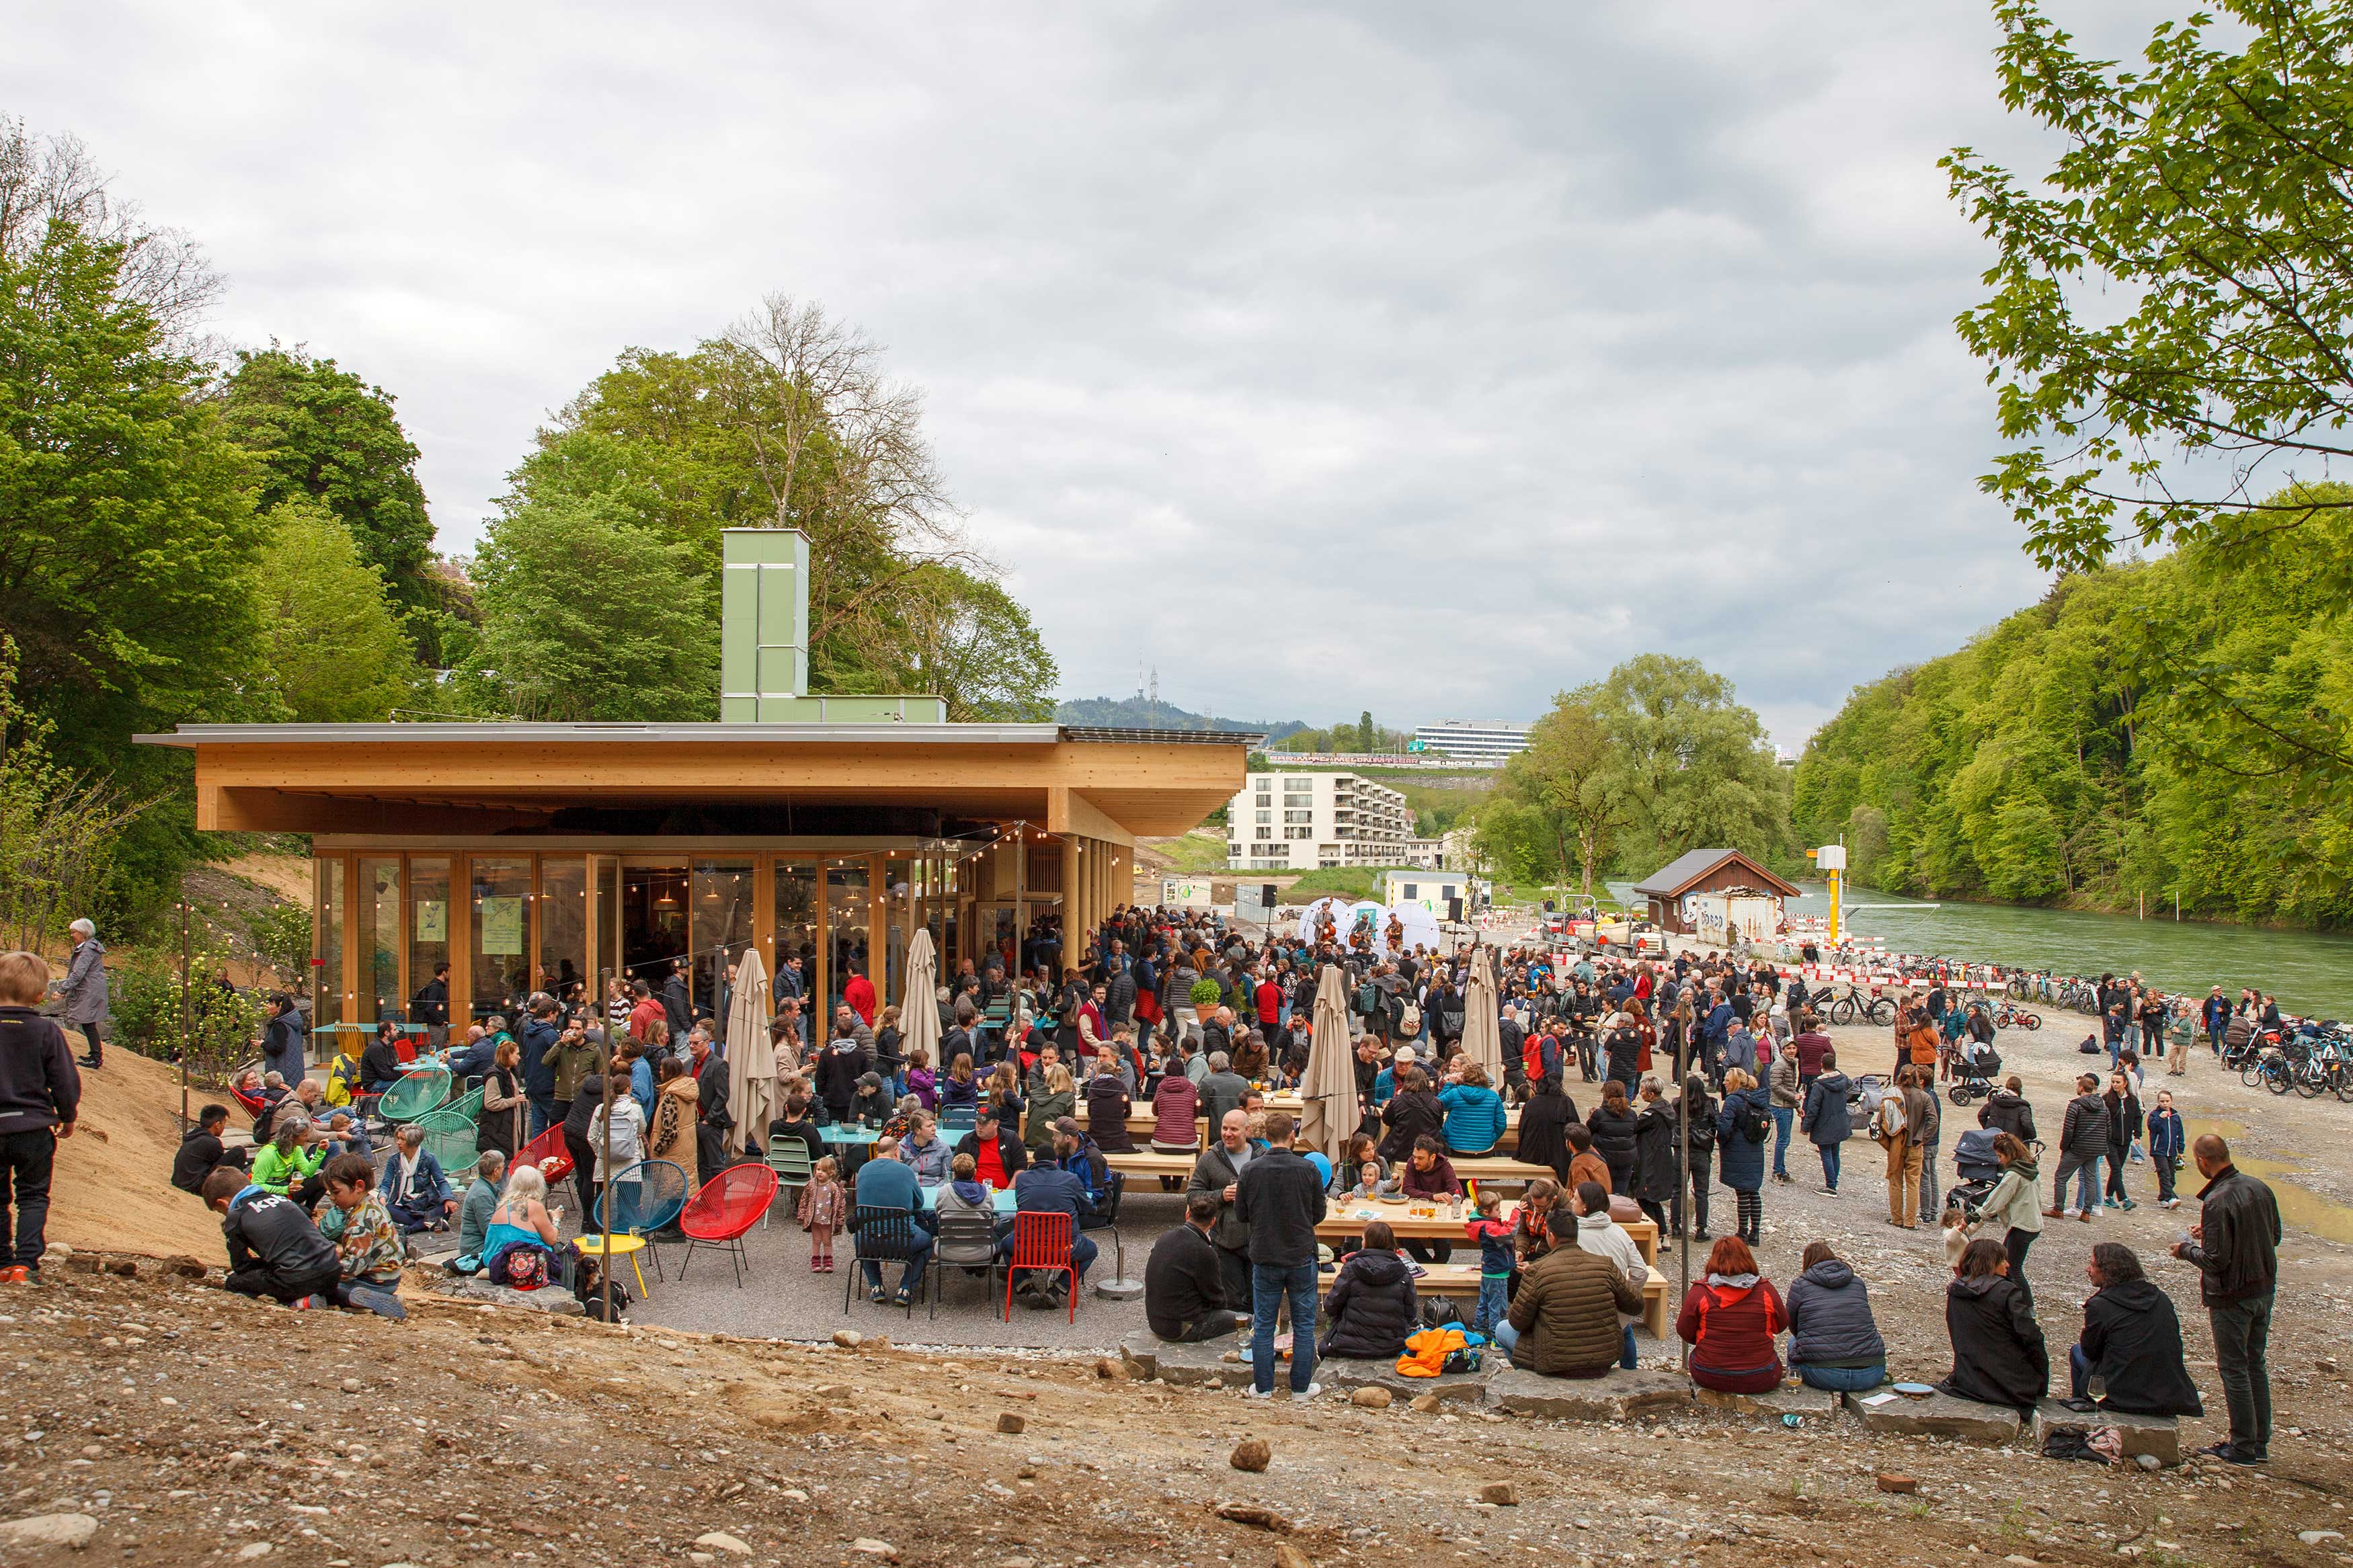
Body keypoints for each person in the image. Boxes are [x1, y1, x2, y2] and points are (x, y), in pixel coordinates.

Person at [2172, 1132, 2281, 1465]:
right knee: (2254, 1364)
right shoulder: (2259, 1187)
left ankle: (2243, 1446)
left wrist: (2186, 1250)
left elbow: (2216, 1260)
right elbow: (2273, 1235)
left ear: (2203, 1162)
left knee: (2234, 1369)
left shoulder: (2217, 1200)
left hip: (2233, 1295)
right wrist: (2215, 1232)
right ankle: (2258, 1442)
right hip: (2263, 1288)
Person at [1235, 1110, 1327, 1400]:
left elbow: (1241, 1214)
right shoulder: (1308, 1169)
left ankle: (1263, 1387)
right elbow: (1318, 1213)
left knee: (1263, 1323)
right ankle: (1300, 1387)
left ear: (1266, 1136)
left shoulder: (1251, 1169)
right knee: (1303, 1323)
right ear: (1292, 1136)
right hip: (1300, 1253)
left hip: (1265, 1253)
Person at [0, 952, 79, 1282]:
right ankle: (26, 1262)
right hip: (33, 1127)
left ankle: (2, 1262)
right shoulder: (46, 1031)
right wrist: (67, 1114)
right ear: (40, 995)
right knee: (33, 1195)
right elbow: (64, 1079)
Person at [1495, 1208, 1640, 1377]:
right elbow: (1636, 1304)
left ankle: (1529, 1379)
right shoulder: (1606, 1265)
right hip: (1601, 1360)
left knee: (1501, 1329)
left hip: (1553, 1362)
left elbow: (1517, 1321)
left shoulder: (1537, 1270)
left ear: (1552, 1236)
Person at [2070, 1243, 2200, 1416]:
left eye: (2093, 1265)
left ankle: (2082, 1412)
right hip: (2165, 1392)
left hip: (2118, 1394)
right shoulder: (2160, 1298)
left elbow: (2090, 1351)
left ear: (2107, 1271)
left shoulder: (2101, 1305)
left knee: (2077, 1351)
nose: (2088, 1269)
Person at [202, 1166, 344, 1307]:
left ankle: (298, 1302)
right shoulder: (279, 1199)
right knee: (299, 1272)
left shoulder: (236, 1216)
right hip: (332, 1269)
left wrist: (265, 1264)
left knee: (234, 1282)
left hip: (298, 1280)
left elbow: (241, 1266)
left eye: (221, 1211)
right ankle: (342, 1296)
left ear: (223, 1203)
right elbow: (306, 1211)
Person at [1936, 1236, 2047, 1414]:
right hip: (2009, 1384)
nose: (2008, 1265)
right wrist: (2040, 1381)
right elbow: (2032, 1337)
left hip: (1969, 1378)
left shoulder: (1956, 1291)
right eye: (2002, 1260)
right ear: (1990, 1263)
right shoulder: (2006, 1291)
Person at [1675, 1235, 1789, 1394]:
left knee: (1697, 1357)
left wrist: (1709, 1340)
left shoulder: (1701, 1292)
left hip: (1710, 1375)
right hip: (1760, 1377)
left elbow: (1684, 1330)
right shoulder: (1765, 1291)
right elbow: (1781, 1326)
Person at [1782, 1241, 1888, 1392]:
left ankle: (1794, 1386)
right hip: (1871, 1373)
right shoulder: (1857, 1283)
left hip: (1824, 1374)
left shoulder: (1800, 1285)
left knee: (1794, 1341)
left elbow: (1792, 1324)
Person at [313, 1152, 406, 1319]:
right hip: (389, 1277)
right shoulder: (372, 1203)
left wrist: (324, 1271)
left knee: (321, 1287)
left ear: (358, 1186)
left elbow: (354, 1267)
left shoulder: (360, 1220)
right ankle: (384, 1299)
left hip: (372, 1281)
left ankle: (357, 1299)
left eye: (336, 1192)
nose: (333, 1198)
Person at [1006, 1139, 1096, 1309]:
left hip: (1027, 1247)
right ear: (1056, 1162)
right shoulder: (1071, 1179)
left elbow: (1021, 1203)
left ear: (1034, 1162)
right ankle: (1059, 1288)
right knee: (1091, 1251)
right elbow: (1088, 1206)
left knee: (1006, 1245)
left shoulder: (1023, 1179)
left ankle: (1026, 1286)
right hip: (1064, 1249)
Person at [1570, 1180, 1650, 1370]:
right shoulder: (1619, 1232)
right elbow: (1641, 1271)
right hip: (1616, 1300)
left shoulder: (1574, 1234)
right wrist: (1628, 1294)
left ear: (1585, 1207)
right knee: (1625, 1331)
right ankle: (1630, 1371)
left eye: (1575, 1199)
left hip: (1587, 1304)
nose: (1571, 1202)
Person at [1187, 1110, 1262, 1309]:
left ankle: (1257, 1338)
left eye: (1234, 1129)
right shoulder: (1209, 1160)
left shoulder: (1262, 1159)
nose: (1228, 1134)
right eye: (1224, 1128)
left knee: (1258, 1300)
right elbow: (1192, 1196)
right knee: (1232, 1302)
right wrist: (1221, 1196)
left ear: (1247, 1131)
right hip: (1226, 1243)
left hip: (1259, 1242)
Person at [848, 1137, 935, 1307]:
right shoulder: (905, 1171)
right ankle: (906, 1288)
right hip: (902, 1240)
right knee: (926, 1244)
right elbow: (918, 1202)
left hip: (869, 1240)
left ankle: (876, 1285)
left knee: (862, 1239)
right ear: (897, 1152)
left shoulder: (864, 1170)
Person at [1145, 1191, 1242, 1343]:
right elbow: (1217, 1298)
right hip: (1182, 1328)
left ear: (1188, 1213)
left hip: (1156, 1322)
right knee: (1247, 1320)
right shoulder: (1204, 1252)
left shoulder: (1165, 1237)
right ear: (1212, 1222)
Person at [1320, 1218, 1420, 1358]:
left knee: (1322, 1347)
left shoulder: (1352, 1268)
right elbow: (1411, 1313)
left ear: (1366, 1242)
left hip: (1348, 1345)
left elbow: (1331, 1306)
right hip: (1392, 1345)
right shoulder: (1403, 1271)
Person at [1966, 1131, 2044, 1309]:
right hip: (2032, 1223)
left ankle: (2026, 1307)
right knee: (2008, 1264)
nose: (1999, 1160)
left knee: (2012, 1268)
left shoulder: (2014, 1175)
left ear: (2009, 1154)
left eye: (2000, 1156)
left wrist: (1972, 1217)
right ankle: (2010, 1301)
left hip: (2022, 1225)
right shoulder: (2030, 1167)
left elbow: (1996, 1201)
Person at [1716, 1067, 1769, 1246]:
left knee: (1742, 1192)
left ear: (1735, 1083)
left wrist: (1722, 1141)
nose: (1724, 1082)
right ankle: (1755, 1232)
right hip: (1755, 1147)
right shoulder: (1758, 1099)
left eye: (1727, 1080)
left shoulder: (1733, 1101)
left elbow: (1724, 1127)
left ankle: (1742, 1231)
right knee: (1753, 1191)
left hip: (1738, 1147)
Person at [2047, 1073, 2110, 1222]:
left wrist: (2064, 1147)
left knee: (2061, 1177)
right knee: (2090, 1180)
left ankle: (2058, 1209)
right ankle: (2087, 1212)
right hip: (2095, 1148)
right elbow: (2108, 1128)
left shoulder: (2075, 1105)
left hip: (2077, 1148)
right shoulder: (2103, 1106)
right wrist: (2102, 1144)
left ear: (2081, 1088)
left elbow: (2068, 1129)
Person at [380, 1122, 458, 1233]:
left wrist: (448, 1198)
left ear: (413, 1143)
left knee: (446, 1208)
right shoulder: (394, 1160)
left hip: (426, 1203)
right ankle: (432, 1222)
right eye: (398, 1138)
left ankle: (411, 1228)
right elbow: (386, 1183)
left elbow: (441, 1182)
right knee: (387, 1209)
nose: (398, 1142)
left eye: (402, 1139)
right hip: (403, 1204)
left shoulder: (428, 1158)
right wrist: (382, 1197)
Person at [52, 919, 108, 1069]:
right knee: (88, 1023)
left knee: (88, 1023)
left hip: (89, 990)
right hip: (90, 989)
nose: (72, 935)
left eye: (74, 932)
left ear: (83, 933)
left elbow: (78, 974)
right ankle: (95, 1055)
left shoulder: (88, 950)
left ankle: (96, 1059)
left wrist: (61, 990)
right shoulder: (89, 947)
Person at [1462, 1187, 1516, 1337]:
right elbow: (1508, 1232)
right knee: (1498, 1307)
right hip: (1498, 1274)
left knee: (1484, 1302)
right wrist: (1516, 1213)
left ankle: (1479, 1328)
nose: (1500, 1213)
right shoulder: (1489, 1227)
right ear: (1486, 1212)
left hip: (1488, 1272)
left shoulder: (1481, 1224)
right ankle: (1496, 1335)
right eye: (1497, 1210)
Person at [1798, 1048, 1851, 1194]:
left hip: (1824, 1123)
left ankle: (1831, 1185)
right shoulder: (1843, 1080)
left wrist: (1806, 1126)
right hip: (1840, 1121)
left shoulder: (1819, 1085)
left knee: (1826, 1154)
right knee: (1835, 1153)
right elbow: (1850, 1085)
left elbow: (1813, 1108)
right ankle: (1834, 1182)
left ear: (1821, 1065)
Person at [251, 1114, 327, 1209]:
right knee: (303, 1211)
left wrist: (320, 1152)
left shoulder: (296, 1149)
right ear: (292, 1137)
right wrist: (285, 1190)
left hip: (285, 1187)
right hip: (267, 1194)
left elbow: (308, 1172)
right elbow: (256, 1184)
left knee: (323, 1178)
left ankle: (308, 1211)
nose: (308, 1138)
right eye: (304, 1135)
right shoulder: (268, 1154)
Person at [1515, 1073, 1577, 1184]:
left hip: (1531, 1153)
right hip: (1558, 1154)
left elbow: (1522, 1129)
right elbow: (1576, 1128)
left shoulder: (1531, 1103)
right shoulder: (1566, 1102)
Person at [1438, 1061, 1507, 1156]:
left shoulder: (1454, 1093)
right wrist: (1492, 1138)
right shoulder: (1493, 1096)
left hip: (1455, 1147)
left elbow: (1437, 1106)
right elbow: (1501, 1124)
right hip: (1485, 1149)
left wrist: (1449, 1085)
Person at [1585, 1080, 1640, 1195]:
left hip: (1603, 1160)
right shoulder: (1631, 1114)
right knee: (1620, 1196)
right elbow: (1635, 1131)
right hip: (1626, 1161)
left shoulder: (1599, 1114)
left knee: (1602, 1195)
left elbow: (1588, 1132)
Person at [172, 1104, 237, 1196]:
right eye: (224, 1123)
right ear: (218, 1125)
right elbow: (219, 1168)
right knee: (239, 1152)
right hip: (194, 1186)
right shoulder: (213, 1143)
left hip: (180, 1182)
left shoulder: (193, 1136)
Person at [797, 1154, 846, 1273]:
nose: (820, 1173)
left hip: (828, 1219)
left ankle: (828, 1260)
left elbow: (840, 1206)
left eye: (824, 1171)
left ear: (831, 1173)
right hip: (814, 1218)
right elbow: (804, 1200)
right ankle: (816, 1261)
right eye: (818, 1169)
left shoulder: (834, 1188)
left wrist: (840, 1220)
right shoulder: (811, 1185)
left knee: (827, 1240)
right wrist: (802, 1215)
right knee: (816, 1240)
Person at [478, 1038, 525, 1162]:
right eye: (517, 1054)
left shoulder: (510, 1073)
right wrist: (513, 1101)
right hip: (497, 1131)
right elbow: (491, 1103)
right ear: (508, 1055)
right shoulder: (495, 1077)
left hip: (505, 1130)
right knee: (500, 1169)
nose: (519, 1057)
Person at [455, 1149, 506, 1264]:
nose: (504, 1169)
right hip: (476, 1249)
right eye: (502, 1167)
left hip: (481, 1244)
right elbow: (489, 1229)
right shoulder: (482, 1194)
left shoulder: (486, 1187)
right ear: (496, 1171)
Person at [2102, 1070, 2141, 1212]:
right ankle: (2124, 1199)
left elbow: (2138, 1117)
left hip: (2125, 1142)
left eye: (2118, 1082)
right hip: (2110, 1141)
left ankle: (2108, 1197)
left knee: (2116, 1169)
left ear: (2125, 1083)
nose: (2115, 1085)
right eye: (2113, 1082)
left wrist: (2137, 1135)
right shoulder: (2107, 1100)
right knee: (2117, 1169)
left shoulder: (2132, 1100)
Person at [2146, 1089, 2186, 1209]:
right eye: (2162, 1101)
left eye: (2167, 1101)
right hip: (2159, 1150)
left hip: (2172, 1151)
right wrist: (2160, 1118)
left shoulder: (2175, 1117)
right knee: (2164, 1174)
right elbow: (2152, 1128)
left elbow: (2180, 1133)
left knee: (2171, 1177)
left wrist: (2181, 1149)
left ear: (2171, 1102)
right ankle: (2171, 1198)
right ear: (2158, 1102)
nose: (2165, 1103)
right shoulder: (2154, 1115)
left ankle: (2162, 1198)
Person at [257, 993, 306, 1087]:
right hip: (294, 1068)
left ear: (280, 1007)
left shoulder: (280, 1025)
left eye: (271, 1004)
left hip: (283, 1071)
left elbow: (278, 1048)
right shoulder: (292, 1022)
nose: (267, 1006)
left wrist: (262, 1045)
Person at [1149, 1067, 1201, 1153]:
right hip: (1188, 1144)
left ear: (1166, 1073)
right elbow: (1196, 1113)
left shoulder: (1161, 1086)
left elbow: (1155, 1111)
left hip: (1161, 1143)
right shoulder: (1192, 1087)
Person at [1979, 1075, 2036, 1143]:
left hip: (1993, 1140)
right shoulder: (2022, 1107)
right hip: (2013, 1143)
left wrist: (1988, 1130)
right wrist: (2031, 1136)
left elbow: (1981, 1115)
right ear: (2020, 1089)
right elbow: (2027, 1123)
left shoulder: (1994, 1102)